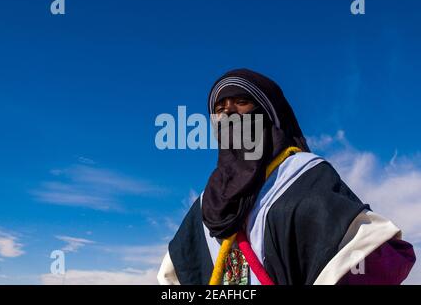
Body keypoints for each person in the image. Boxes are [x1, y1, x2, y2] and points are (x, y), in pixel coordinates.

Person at [157, 68, 416, 285]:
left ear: (270, 115)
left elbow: (373, 259)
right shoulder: (207, 204)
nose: (228, 114)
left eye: (241, 103)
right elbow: (174, 276)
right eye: (220, 108)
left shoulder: (301, 175)